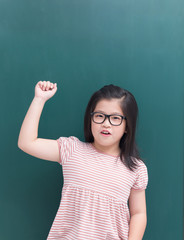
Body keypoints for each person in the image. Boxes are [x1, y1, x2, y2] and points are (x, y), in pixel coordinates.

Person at [18, 81, 148, 240]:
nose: (106, 124)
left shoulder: (135, 168)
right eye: (99, 116)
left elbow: (139, 213)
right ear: (90, 118)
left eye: (115, 118)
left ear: (127, 126)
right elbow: (27, 143)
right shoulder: (71, 150)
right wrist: (39, 99)